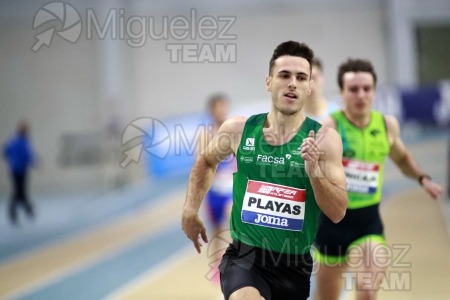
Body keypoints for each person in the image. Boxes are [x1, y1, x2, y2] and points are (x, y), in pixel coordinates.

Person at [182, 40, 348, 300]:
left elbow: (338, 211)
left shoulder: (325, 140)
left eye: (301, 77)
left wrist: (315, 172)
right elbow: (206, 160)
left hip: (294, 264)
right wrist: (190, 209)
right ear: (269, 82)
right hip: (244, 256)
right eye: (284, 75)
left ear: (308, 87)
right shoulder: (238, 130)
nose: (292, 82)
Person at [313, 59, 443, 300]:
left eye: (367, 88)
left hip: (368, 223)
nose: (361, 95)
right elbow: (308, 170)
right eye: (353, 89)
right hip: (331, 225)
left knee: (368, 292)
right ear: (342, 93)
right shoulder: (329, 127)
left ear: (374, 91)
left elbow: (402, 158)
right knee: (326, 297)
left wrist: (422, 178)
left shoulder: (386, 125)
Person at [200, 94, 236, 284]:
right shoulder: (206, 135)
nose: (221, 111)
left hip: (230, 188)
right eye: (217, 107)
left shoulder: (234, 132)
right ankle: (216, 264)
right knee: (215, 229)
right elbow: (200, 163)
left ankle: (235, 261)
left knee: (233, 221)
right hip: (214, 191)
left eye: (224, 106)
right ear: (211, 111)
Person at [3, 121, 36, 225]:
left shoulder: (13, 139)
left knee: (19, 191)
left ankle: (27, 209)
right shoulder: (22, 141)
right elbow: (27, 155)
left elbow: (5, 151)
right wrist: (33, 163)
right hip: (20, 170)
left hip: (14, 169)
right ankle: (24, 210)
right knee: (19, 191)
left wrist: (11, 160)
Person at [304, 58, 339, 122]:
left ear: (322, 79)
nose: (311, 84)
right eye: (306, 79)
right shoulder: (293, 116)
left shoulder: (336, 114)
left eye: (314, 78)